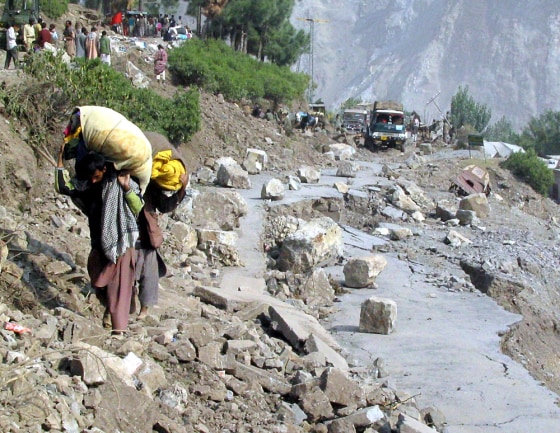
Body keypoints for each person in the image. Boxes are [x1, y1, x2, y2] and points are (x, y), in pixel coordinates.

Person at [55, 143, 143, 335]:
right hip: (100, 243)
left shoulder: (120, 183)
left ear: (104, 169)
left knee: (117, 289)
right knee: (98, 280)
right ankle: (113, 313)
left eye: (96, 176)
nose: (94, 181)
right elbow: (64, 187)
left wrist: (127, 188)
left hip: (121, 243)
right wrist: (60, 160)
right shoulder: (88, 185)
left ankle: (119, 331)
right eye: (90, 177)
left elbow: (138, 208)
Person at [135, 158, 188, 319]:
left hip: (146, 236)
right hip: (127, 237)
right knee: (127, 275)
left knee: (149, 275)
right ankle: (122, 310)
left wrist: (182, 188)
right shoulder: (124, 183)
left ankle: (144, 311)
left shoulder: (151, 187)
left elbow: (165, 206)